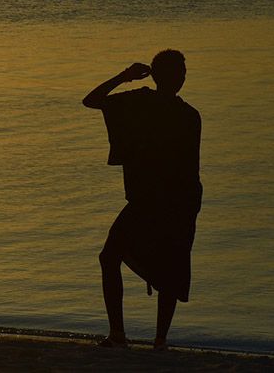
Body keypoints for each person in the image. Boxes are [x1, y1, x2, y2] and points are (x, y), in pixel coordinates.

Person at [82, 49, 202, 350]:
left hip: (164, 202)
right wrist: (125, 77)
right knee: (120, 260)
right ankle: (133, 337)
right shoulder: (152, 105)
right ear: (166, 76)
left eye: (183, 72)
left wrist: (124, 77)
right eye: (179, 72)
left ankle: (143, 338)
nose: (183, 77)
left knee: (160, 267)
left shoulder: (174, 112)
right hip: (160, 202)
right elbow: (91, 101)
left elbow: (190, 166)